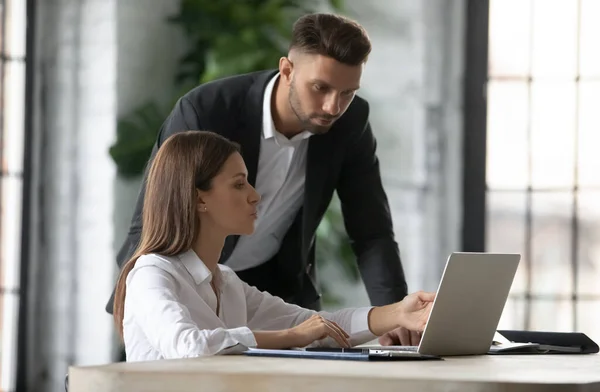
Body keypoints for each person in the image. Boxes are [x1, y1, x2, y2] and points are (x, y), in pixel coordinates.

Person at [108, 12, 418, 345]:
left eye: (347, 93)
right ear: (287, 70)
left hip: (261, 288)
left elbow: (371, 229)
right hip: (182, 282)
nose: (333, 107)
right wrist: (142, 301)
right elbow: (153, 215)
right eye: (321, 88)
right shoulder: (208, 110)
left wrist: (396, 314)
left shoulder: (350, 121)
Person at [113, 131, 434, 361]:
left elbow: (316, 326)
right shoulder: (151, 274)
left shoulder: (226, 282)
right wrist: (291, 338)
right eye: (239, 184)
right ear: (200, 199)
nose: (255, 195)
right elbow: (188, 347)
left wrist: (399, 313)